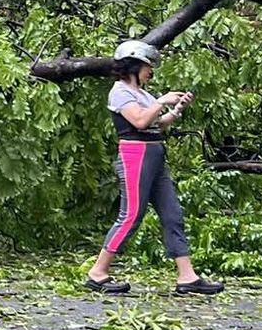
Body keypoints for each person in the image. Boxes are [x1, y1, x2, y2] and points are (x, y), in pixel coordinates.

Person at [85, 39, 223, 296]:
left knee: (172, 213)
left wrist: (177, 108)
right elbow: (138, 121)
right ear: (134, 64)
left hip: (155, 153)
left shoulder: (143, 94)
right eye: (148, 65)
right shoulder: (120, 91)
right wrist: (162, 101)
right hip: (136, 154)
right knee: (131, 216)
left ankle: (187, 276)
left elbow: (155, 124)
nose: (152, 71)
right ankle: (98, 272)